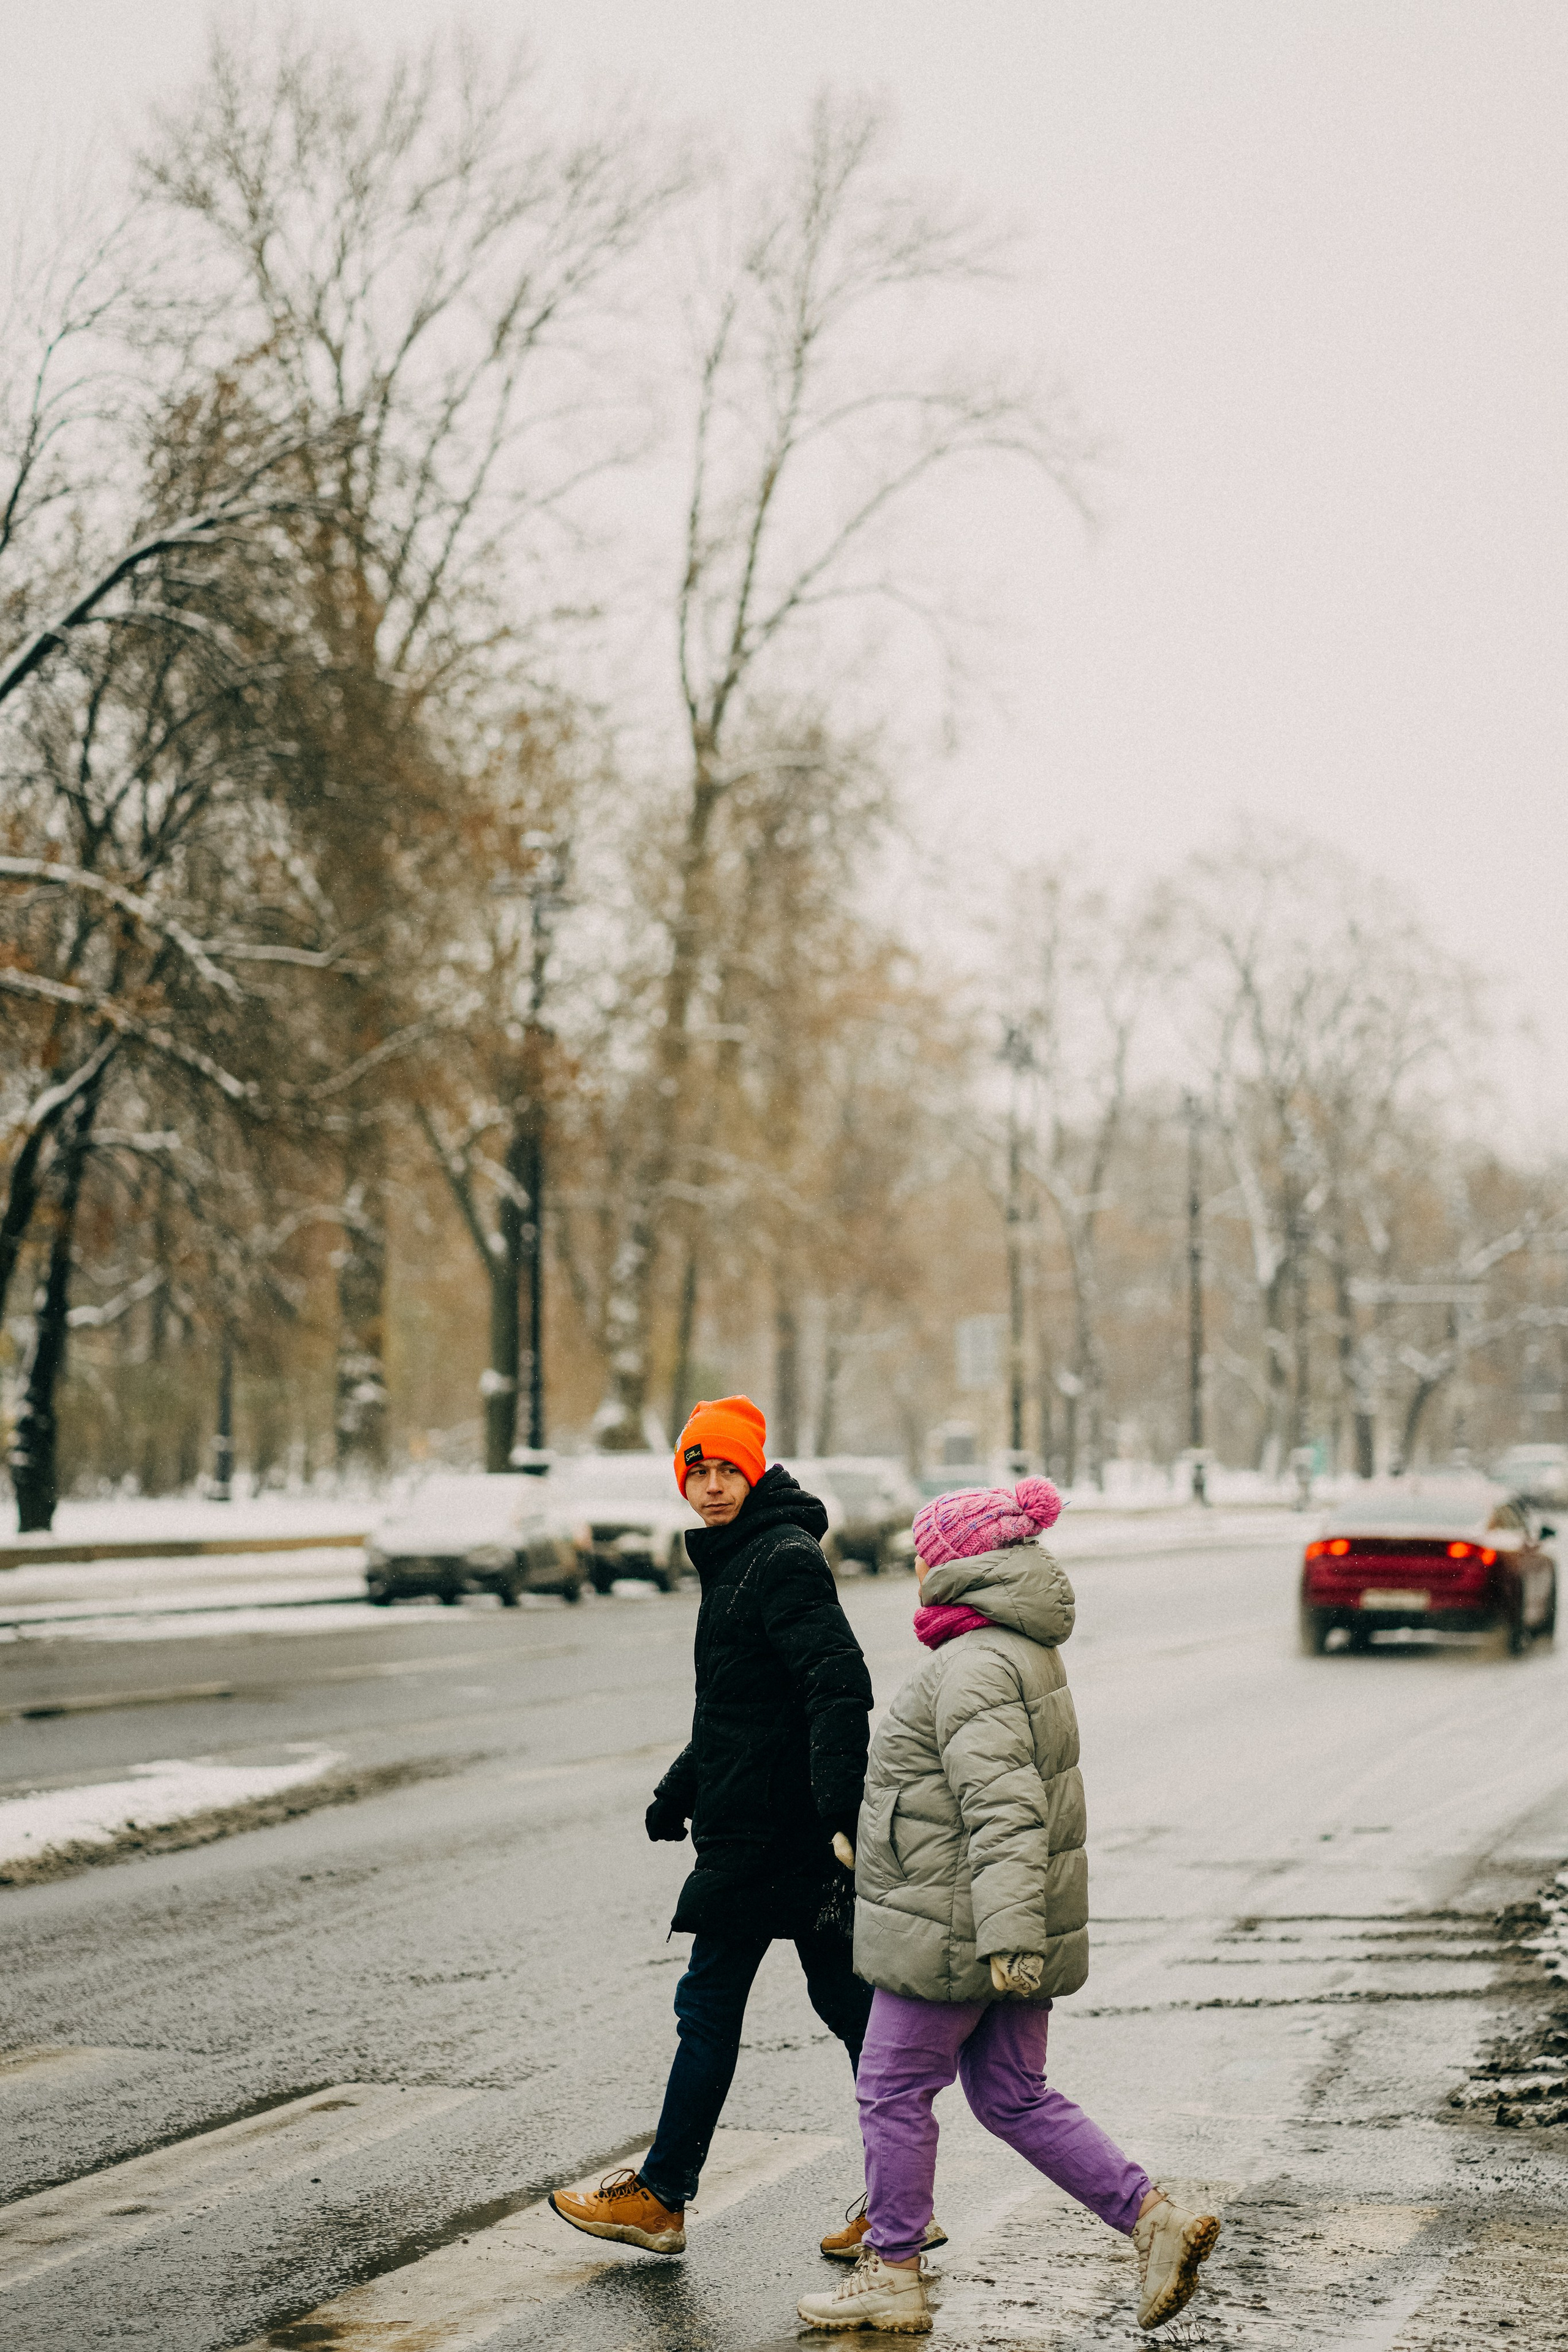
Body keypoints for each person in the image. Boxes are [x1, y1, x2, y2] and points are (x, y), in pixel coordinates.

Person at [796, 1477, 1220, 2337]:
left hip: (958, 1926)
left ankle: (893, 2270)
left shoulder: (973, 1664)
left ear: (957, 1562)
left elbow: (1006, 1807)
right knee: (1012, 2094)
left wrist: (1007, 1939)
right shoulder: (1018, 1651)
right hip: (994, 1919)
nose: (917, 1563)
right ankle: (1152, 2218)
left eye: (928, 1549)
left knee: (890, 2089)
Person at [551, 1395, 880, 2258]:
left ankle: (662, 2197)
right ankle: (899, 2201)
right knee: (852, 2010)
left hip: (778, 1836)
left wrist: (842, 1807)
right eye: (697, 1471)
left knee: (718, 2006)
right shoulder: (740, 1559)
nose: (711, 1485)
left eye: (727, 1468)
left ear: (756, 1471)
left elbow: (837, 1682)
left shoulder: (779, 1558)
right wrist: (680, 1786)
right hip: (764, 1826)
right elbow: (743, 1707)